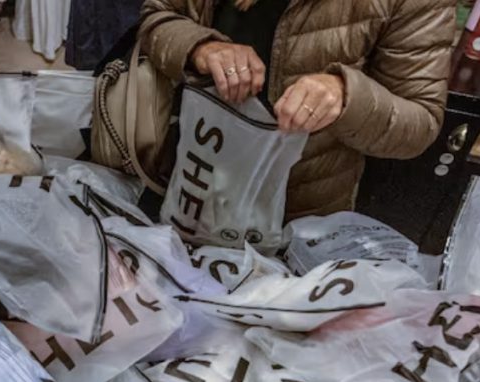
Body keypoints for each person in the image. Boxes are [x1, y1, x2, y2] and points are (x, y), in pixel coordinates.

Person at [139, 0, 455, 218]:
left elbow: (420, 121)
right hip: (183, 176)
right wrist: (200, 47)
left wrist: (346, 95)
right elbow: (158, 16)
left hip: (299, 209)